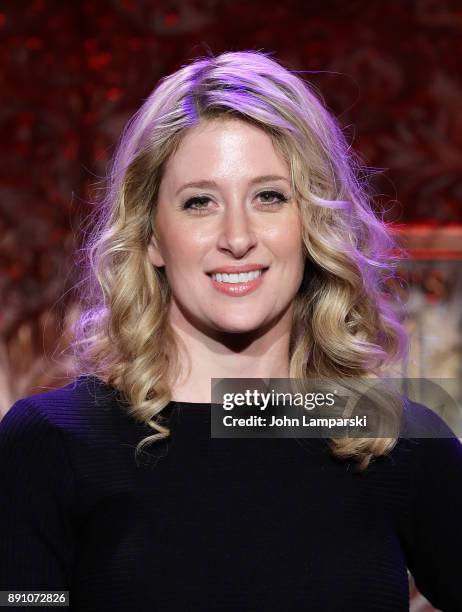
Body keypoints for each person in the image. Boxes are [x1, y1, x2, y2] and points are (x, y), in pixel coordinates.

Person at [1, 49, 461, 612]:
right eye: (200, 202)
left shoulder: (391, 434)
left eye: (270, 196)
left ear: (312, 222)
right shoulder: (51, 441)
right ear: (150, 236)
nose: (237, 236)